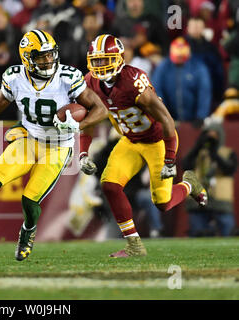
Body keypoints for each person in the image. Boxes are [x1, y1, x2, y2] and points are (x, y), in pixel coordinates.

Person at [0, 29, 108, 261]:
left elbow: (100, 109)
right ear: (27, 59)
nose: (48, 61)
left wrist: (78, 127)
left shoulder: (68, 77)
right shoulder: (15, 77)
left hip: (58, 146)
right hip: (29, 140)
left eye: (50, 55)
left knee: (29, 200)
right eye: (41, 56)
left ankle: (27, 233)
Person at [83, 34, 208, 257]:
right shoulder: (90, 82)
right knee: (109, 184)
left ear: (119, 59)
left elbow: (167, 121)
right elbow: (88, 119)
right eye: (97, 60)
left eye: (105, 60)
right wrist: (83, 151)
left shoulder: (133, 82)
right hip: (130, 141)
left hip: (156, 141)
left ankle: (188, 184)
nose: (100, 66)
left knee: (162, 202)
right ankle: (134, 245)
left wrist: (170, 159)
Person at [182, 121, 237, 237]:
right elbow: (185, 166)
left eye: (214, 135)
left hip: (221, 201)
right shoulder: (196, 153)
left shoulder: (228, 153)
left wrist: (214, 153)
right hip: (198, 201)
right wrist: (197, 147)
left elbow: (229, 169)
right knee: (197, 236)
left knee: (229, 237)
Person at [151, 37, 212, 125]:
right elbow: (157, 91)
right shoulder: (163, 67)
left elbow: (204, 92)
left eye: (181, 57)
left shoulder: (199, 68)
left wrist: (201, 116)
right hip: (170, 118)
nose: (179, 60)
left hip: (193, 120)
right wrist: (164, 116)